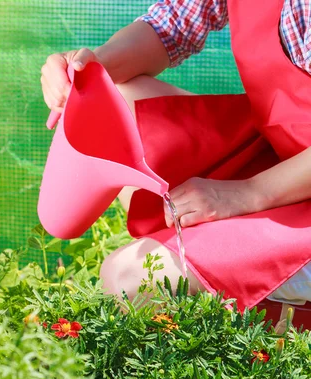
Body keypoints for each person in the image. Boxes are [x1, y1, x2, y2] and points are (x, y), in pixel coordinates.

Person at [41, 0, 311, 319]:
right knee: (114, 103)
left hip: (287, 193)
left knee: (128, 281)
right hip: (286, 156)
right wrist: (90, 70)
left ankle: (285, 324)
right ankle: (213, 269)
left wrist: (249, 193)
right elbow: (172, 24)